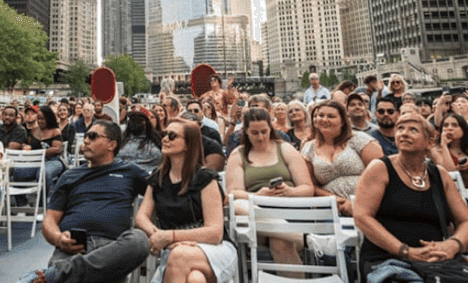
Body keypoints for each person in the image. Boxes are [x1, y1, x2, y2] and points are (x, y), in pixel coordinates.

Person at [16, 120, 149, 283]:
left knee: (139, 240)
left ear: (111, 145)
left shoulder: (129, 171)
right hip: (73, 246)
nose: (85, 140)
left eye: (92, 136)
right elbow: (49, 220)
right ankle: (64, 273)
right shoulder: (69, 176)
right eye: (85, 136)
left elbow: (164, 189)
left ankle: (54, 275)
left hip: (111, 250)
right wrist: (59, 239)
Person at [354, 113, 468, 280]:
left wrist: (452, 245)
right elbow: (362, 217)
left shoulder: (439, 175)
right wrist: (405, 251)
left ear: (429, 142)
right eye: (400, 128)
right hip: (388, 260)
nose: (404, 133)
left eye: (413, 129)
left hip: (437, 261)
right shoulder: (380, 168)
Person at [136, 119, 238, 283]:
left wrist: (170, 236)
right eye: (164, 134)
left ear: (188, 145)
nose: (164, 139)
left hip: (214, 250)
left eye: (172, 136)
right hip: (175, 248)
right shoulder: (158, 178)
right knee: (195, 279)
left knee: (180, 256)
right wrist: (160, 236)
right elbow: (141, 217)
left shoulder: (205, 178)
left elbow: (215, 233)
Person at [226, 108, 314, 275]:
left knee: (280, 241)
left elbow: (307, 188)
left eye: (264, 132)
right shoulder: (239, 154)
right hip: (256, 217)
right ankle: (306, 239)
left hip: (289, 212)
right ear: (246, 132)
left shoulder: (285, 149)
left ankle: (294, 236)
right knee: (238, 205)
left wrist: (289, 192)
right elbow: (233, 192)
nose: (260, 137)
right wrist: (257, 196)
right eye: (254, 133)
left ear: (271, 129)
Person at [302, 100, 382, 215]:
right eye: (320, 115)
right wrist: (335, 199)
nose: (324, 120)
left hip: (367, 203)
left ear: (343, 121)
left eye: (331, 116)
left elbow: (381, 175)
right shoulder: (308, 148)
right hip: (330, 207)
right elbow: (310, 185)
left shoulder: (360, 140)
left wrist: (358, 201)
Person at [438, 111, 468, 188]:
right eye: (445, 125)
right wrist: (444, 145)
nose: (449, 128)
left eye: (455, 125)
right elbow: (450, 172)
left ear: (463, 129)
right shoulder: (437, 150)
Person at [120, 107, 163, 174]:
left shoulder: (157, 140)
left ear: (147, 122)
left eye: (140, 119)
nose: (136, 122)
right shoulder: (122, 140)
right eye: (133, 119)